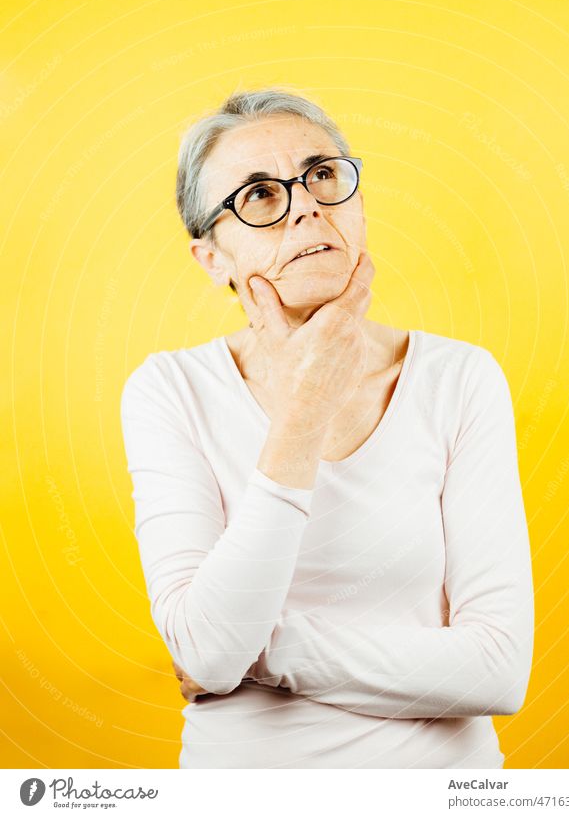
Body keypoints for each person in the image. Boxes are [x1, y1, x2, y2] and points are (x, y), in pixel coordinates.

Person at [120, 87, 534, 769]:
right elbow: (208, 650)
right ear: (213, 260)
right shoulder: (170, 391)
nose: (307, 204)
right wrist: (306, 405)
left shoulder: (461, 379)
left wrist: (263, 652)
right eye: (259, 194)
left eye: (322, 175)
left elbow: (497, 667)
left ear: (358, 204)